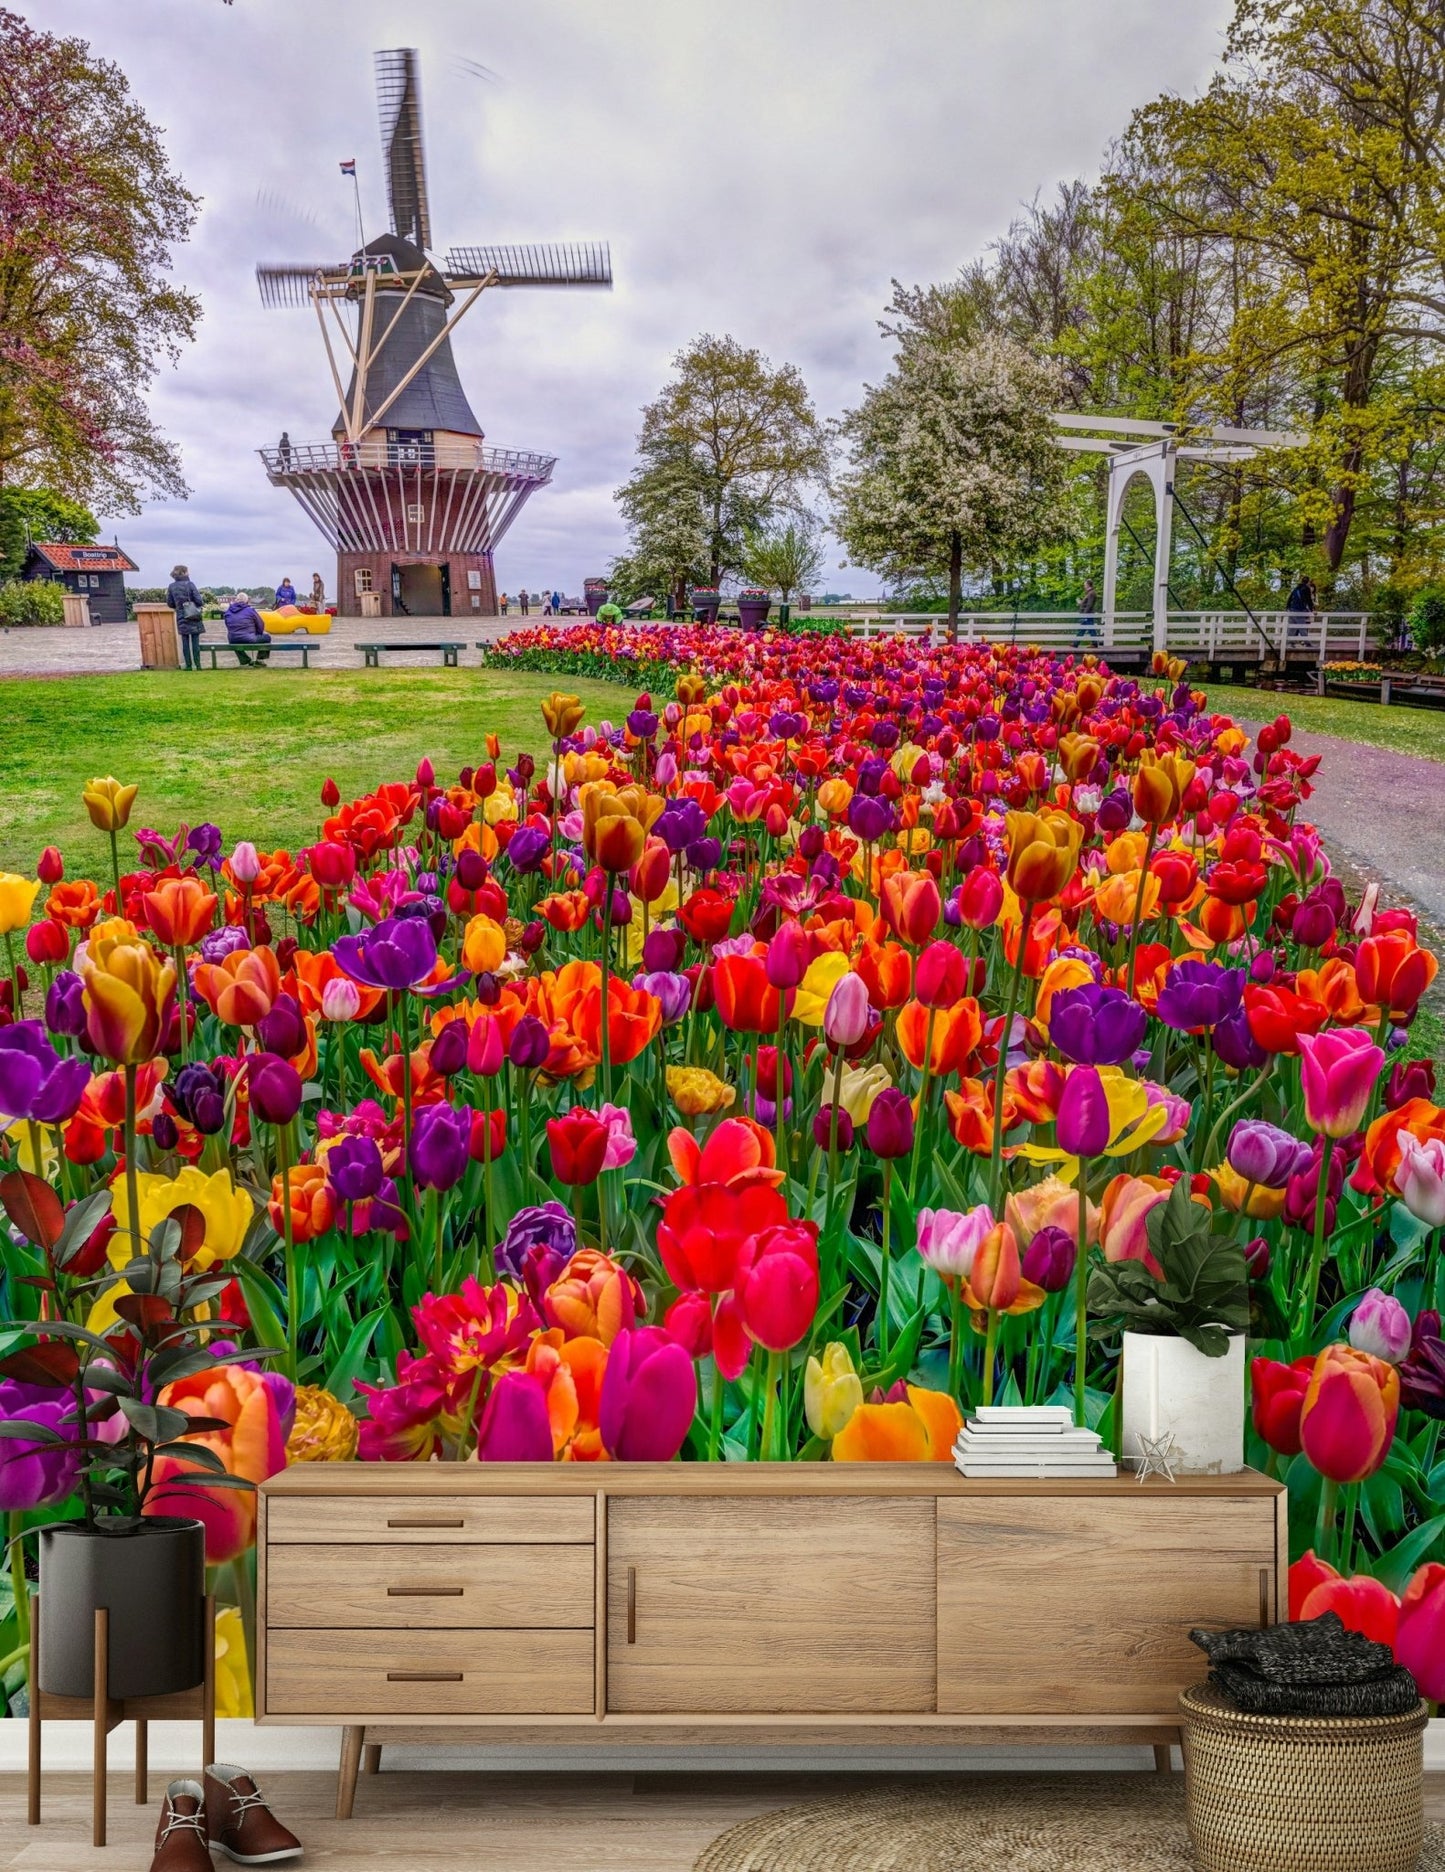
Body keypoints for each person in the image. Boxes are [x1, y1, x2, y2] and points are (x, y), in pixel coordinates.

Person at [165, 564, 205, 671]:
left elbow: (169, 603)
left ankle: (188, 666)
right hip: (193, 614)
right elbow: (199, 601)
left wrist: (179, 607)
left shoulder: (172, 586)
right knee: (195, 641)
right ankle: (198, 665)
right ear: (184, 572)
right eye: (187, 571)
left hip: (181, 615)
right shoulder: (190, 584)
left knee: (185, 641)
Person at [224, 592, 272, 667]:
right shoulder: (250, 610)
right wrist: (258, 633)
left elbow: (228, 625)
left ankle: (245, 661)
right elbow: (260, 624)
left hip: (233, 638)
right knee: (267, 637)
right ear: (247, 601)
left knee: (234, 638)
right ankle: (260, 660)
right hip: (249, 638)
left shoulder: (228, 611)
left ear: (236, 600)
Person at [1285, 573, 1318, 648]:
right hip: (1299, 610)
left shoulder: (1296, 588)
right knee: (1302, 626)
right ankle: (1307, 643)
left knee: (1292, 627)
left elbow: (1290, 598)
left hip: (1292, 609)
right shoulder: (1306, 589)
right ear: (1308, 582)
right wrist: (1312, 610)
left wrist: (1287, 607)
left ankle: (1290, 643)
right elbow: (1308, 600)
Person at [1076, 576, 1099, 647]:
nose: (1084, 586)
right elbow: (1086, 603)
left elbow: (1089, 605)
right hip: (1087, 614)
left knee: (1089, 629)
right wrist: (1080, 603)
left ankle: (1076, 643)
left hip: (1088, 614)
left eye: (1085, 585)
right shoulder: (1089, 593)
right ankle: (1075, 643)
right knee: (1084, 629)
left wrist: (1084, 615)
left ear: (1088, 585)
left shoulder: (1091, 593)